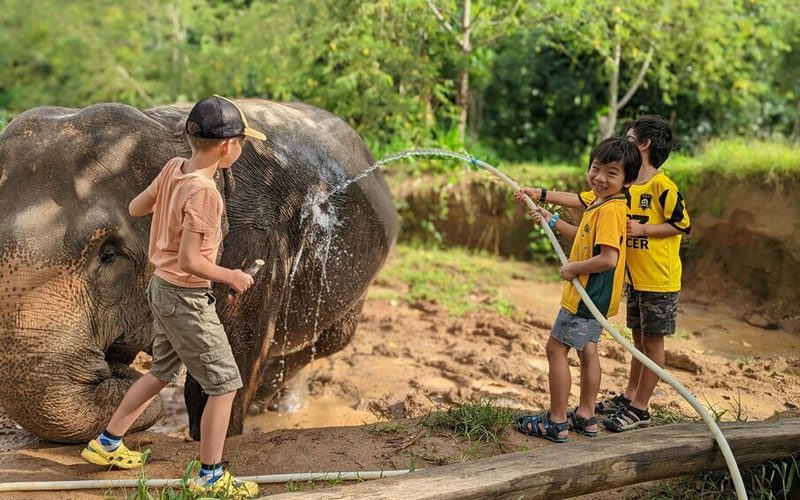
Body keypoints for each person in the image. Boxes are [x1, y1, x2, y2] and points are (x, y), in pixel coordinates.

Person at [80, 95, 266, 497]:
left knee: (161, 371)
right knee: (224, 385)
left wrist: (168, 201)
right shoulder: (205, 193)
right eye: (241, 142)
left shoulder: (173, 169)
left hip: (161, 288)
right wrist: (232, 276)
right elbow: (192, 260)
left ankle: (107, 443)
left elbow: (135, 206)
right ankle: (211, 476)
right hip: (185, 297)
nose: (241, 148)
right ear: (226, 146)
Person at [519, 115, 691, 432]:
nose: (601, 176)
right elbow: (582, 201)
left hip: (658, 278)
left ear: (644, 145)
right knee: (638, 342)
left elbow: (683, 225)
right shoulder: (616, 190)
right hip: (632, 277)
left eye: (628, 138)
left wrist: (643, 229)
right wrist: (542, 197)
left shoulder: (657, 188)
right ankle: (629, 396)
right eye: (597, 169)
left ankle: (640, 407)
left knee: (651, 345)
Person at [514, 136, 640, 442]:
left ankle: (556, 421)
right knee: (587, 350)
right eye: (596, 168)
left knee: (555, 349)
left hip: (587, 296)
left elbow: (608, 259)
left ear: (627, 181)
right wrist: (551, 219)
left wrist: (574, 269)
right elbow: (585, 238)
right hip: (597, 296)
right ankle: (586, 417)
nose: (599, 177)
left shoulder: (610, 210)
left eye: (612, 173)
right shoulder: (604, 204)